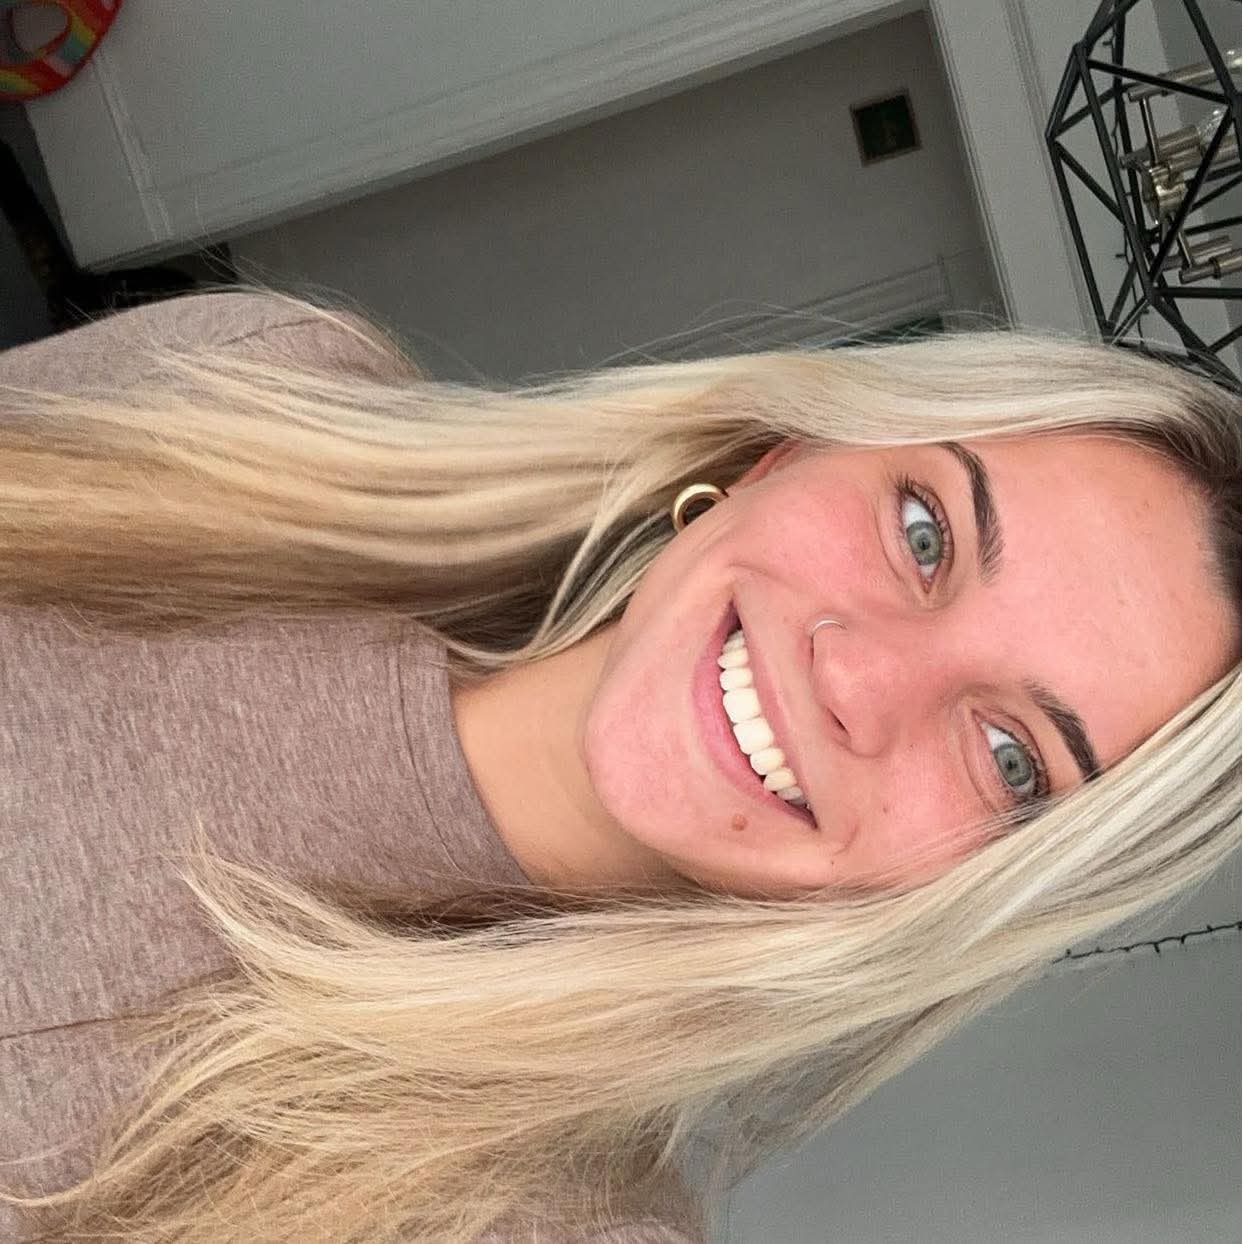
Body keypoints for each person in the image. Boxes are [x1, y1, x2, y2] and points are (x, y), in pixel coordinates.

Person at [0, 283, 1237, 1243]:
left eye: (1012, 760)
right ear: (783, 454)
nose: (858, 676)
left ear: (975, 892)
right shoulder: (262, 391)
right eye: (925, 533)